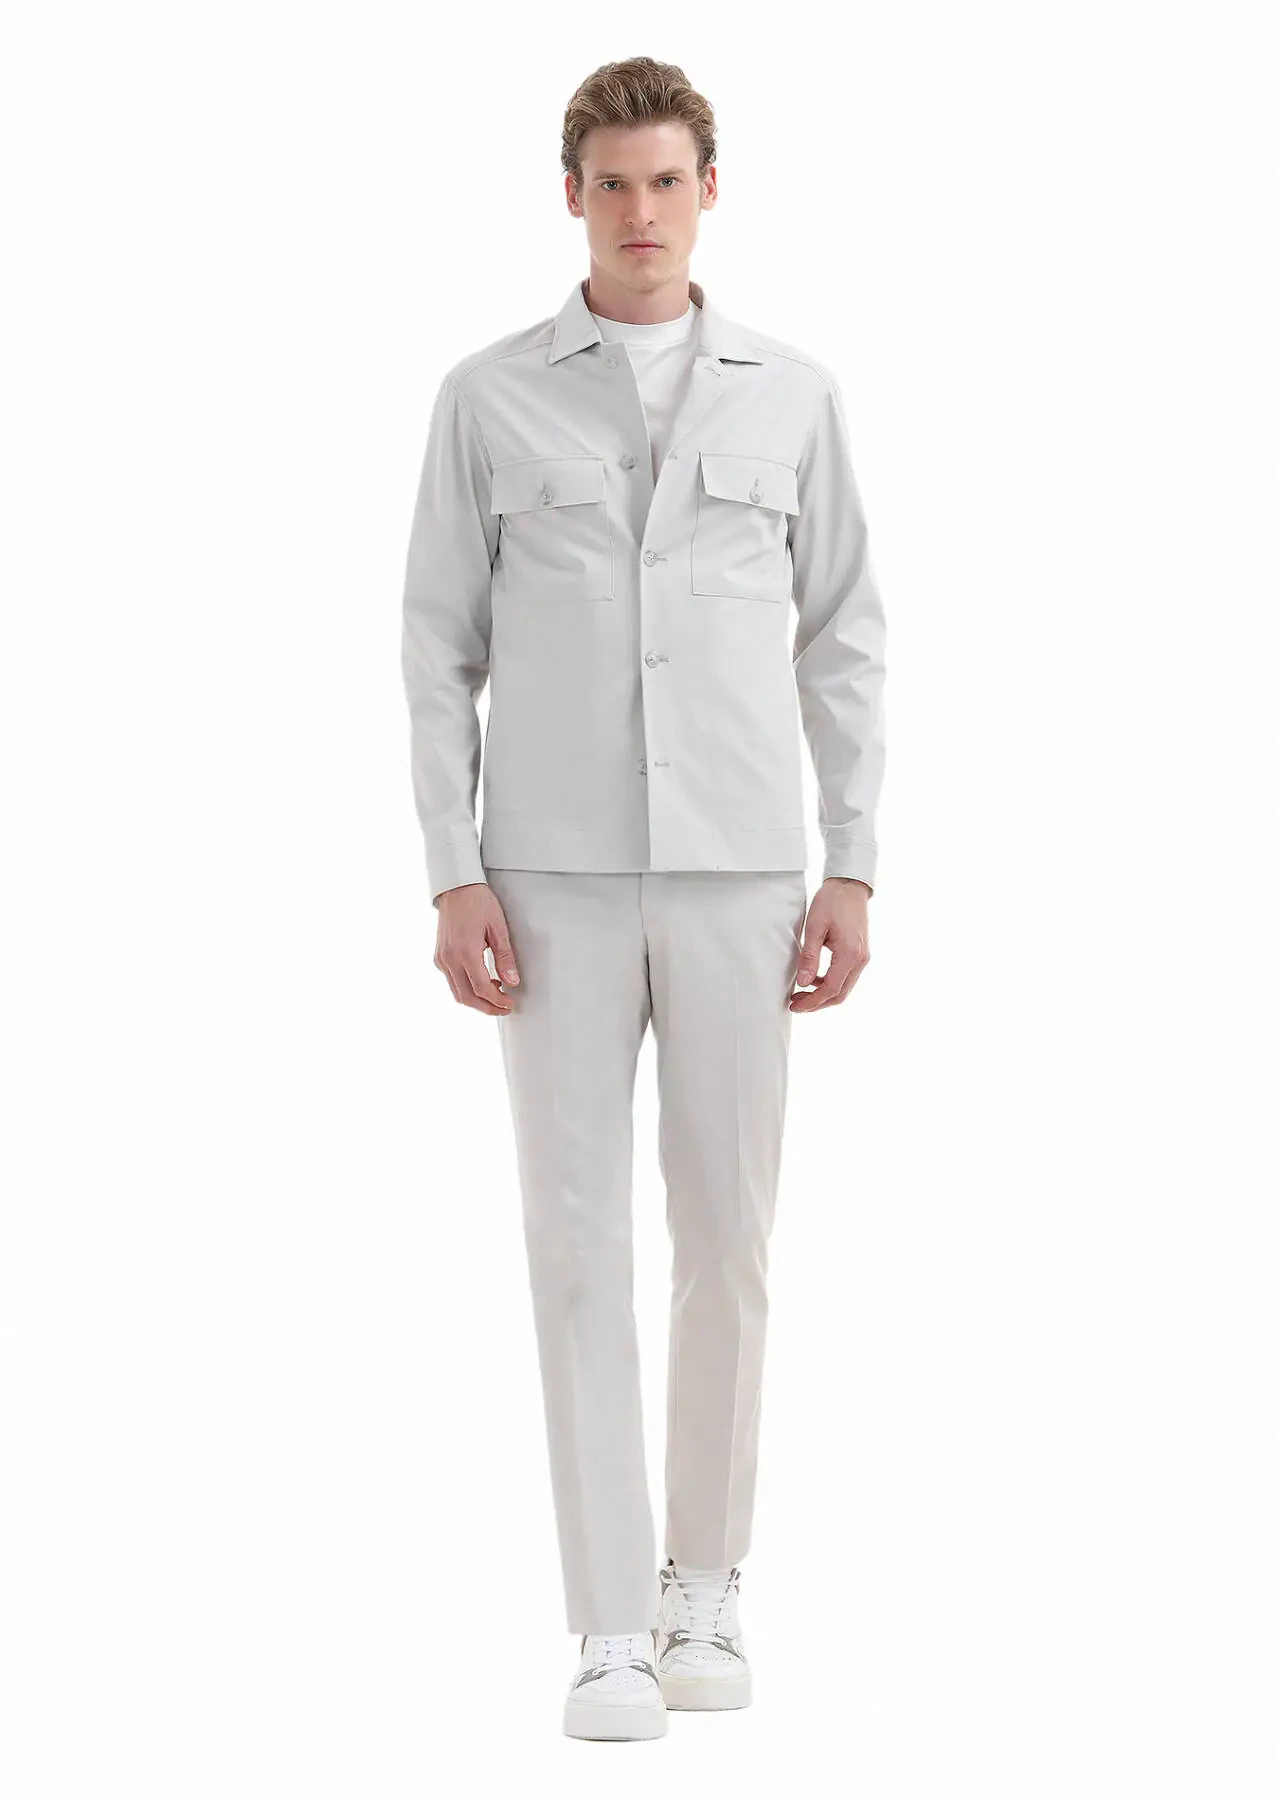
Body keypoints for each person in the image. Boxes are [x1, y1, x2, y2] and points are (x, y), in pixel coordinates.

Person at [400, 56, 886, 1741]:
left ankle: (707, 1584)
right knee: (576, 1243)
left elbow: (846, 637)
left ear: (708, 191)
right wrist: (452, 867)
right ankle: (610, 1619)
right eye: (611, 184)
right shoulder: (489, 398)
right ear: (572, 198)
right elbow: (433, 647)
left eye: (666, 181)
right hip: (553, 879)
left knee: (728, 1243)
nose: (640, 213)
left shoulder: (794, 398)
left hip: (746, 870)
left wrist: (854, 859)